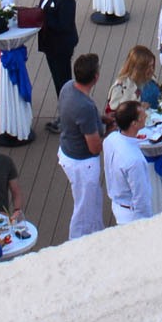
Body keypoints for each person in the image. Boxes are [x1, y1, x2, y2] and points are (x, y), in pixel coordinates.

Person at [57, 55, 108, 242]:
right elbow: (95, 148)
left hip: (67, 150)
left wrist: (102, 120)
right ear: (96, 77)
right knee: (84, 208)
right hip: (82, 163)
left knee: (93, 201)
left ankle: (97, 234)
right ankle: (76, 242)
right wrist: (111, 132)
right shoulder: (85, 107)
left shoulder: (68, 87)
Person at [102, 99, 162, 224]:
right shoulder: (135, 160)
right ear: (134, 124)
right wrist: (146, 222)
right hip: (132, 215)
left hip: (118, 205)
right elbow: (141, 198)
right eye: (142, 115)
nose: (146, 115)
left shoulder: (110, 139)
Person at [34, 0, 81, 110]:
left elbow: (64, 25)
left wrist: (42, 18)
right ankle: (65, 111)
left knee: (64, 82)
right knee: (57, 80)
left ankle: (68, 113)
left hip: (61, 46)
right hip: (50, 44)